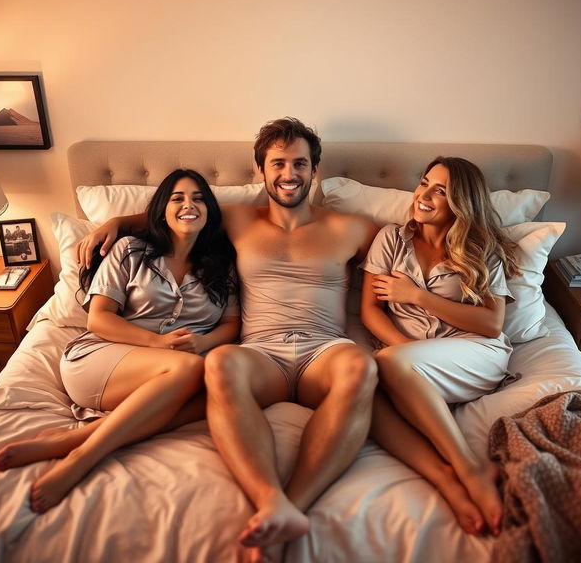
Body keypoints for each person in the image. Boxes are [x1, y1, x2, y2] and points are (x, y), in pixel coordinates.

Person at [75, 118, 379, 561]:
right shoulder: (235, 219)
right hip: (261, 355)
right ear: (260, 171)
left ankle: (291, 505)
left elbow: (406, 263)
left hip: (323, 351)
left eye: (299, 163)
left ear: (315, 169)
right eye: (277, 164)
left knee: (362, 365)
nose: (288, 174)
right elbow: (173, 214)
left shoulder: (354, 227)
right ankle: (268, 499)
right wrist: (116, 222)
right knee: (218, 364)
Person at [0, 169, 240, 514]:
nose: (189, 205)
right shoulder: (130, 249)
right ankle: (83, 456)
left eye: (198, 199)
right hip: (103, 359)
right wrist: (157, 342)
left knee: (219, 387)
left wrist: (203, 342)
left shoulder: (221, 264)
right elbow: (99, 318)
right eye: (177, 198)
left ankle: (72, 438)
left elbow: (231, 324)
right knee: (193, 371)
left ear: (210, 210)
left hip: (177, 368)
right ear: (161, 210)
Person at [360, 156, 520, 537]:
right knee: (363, 387)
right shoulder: (391, 239)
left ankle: (470, 467)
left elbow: (491, 323)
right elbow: (369, 311)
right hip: (406, 359)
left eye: (441, 190)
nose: (424, 194)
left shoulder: (481, 249)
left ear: (462, 202)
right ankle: (446, 480)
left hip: (473, 352)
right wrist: (404, 354)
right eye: (424, 182)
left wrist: (418, 297)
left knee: (387, 366)